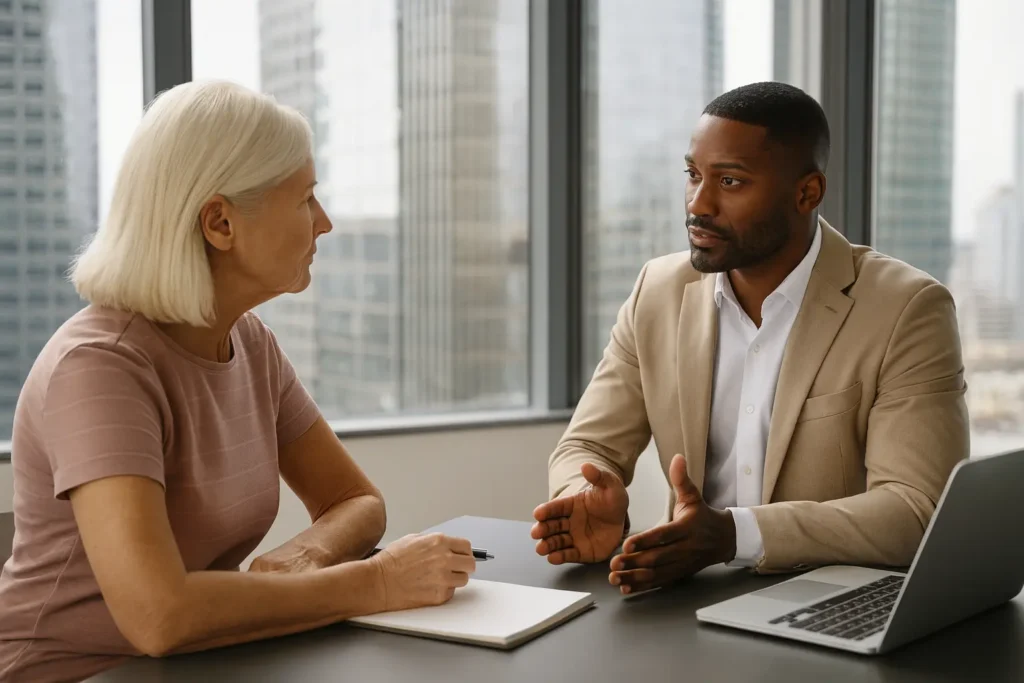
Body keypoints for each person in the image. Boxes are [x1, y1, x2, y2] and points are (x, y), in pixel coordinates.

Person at [0, 80, 476, 683]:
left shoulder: (250, 343)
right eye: (305, 199)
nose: (324, 223)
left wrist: (306, 554)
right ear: (220, 223)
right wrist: (378, 582)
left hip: (196, 666)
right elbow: (159, 616)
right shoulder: (100, 367)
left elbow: (356, 502)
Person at [531, 81, 969, 594]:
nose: (699, 204)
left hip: (829, 601)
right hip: (685, 596)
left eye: (730, 181)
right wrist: (585, 494)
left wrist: (733, 535)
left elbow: (918, 509)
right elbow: (587, 444)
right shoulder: (658, 290)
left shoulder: (905, 309)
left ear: (807, 193)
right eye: (693, 175)